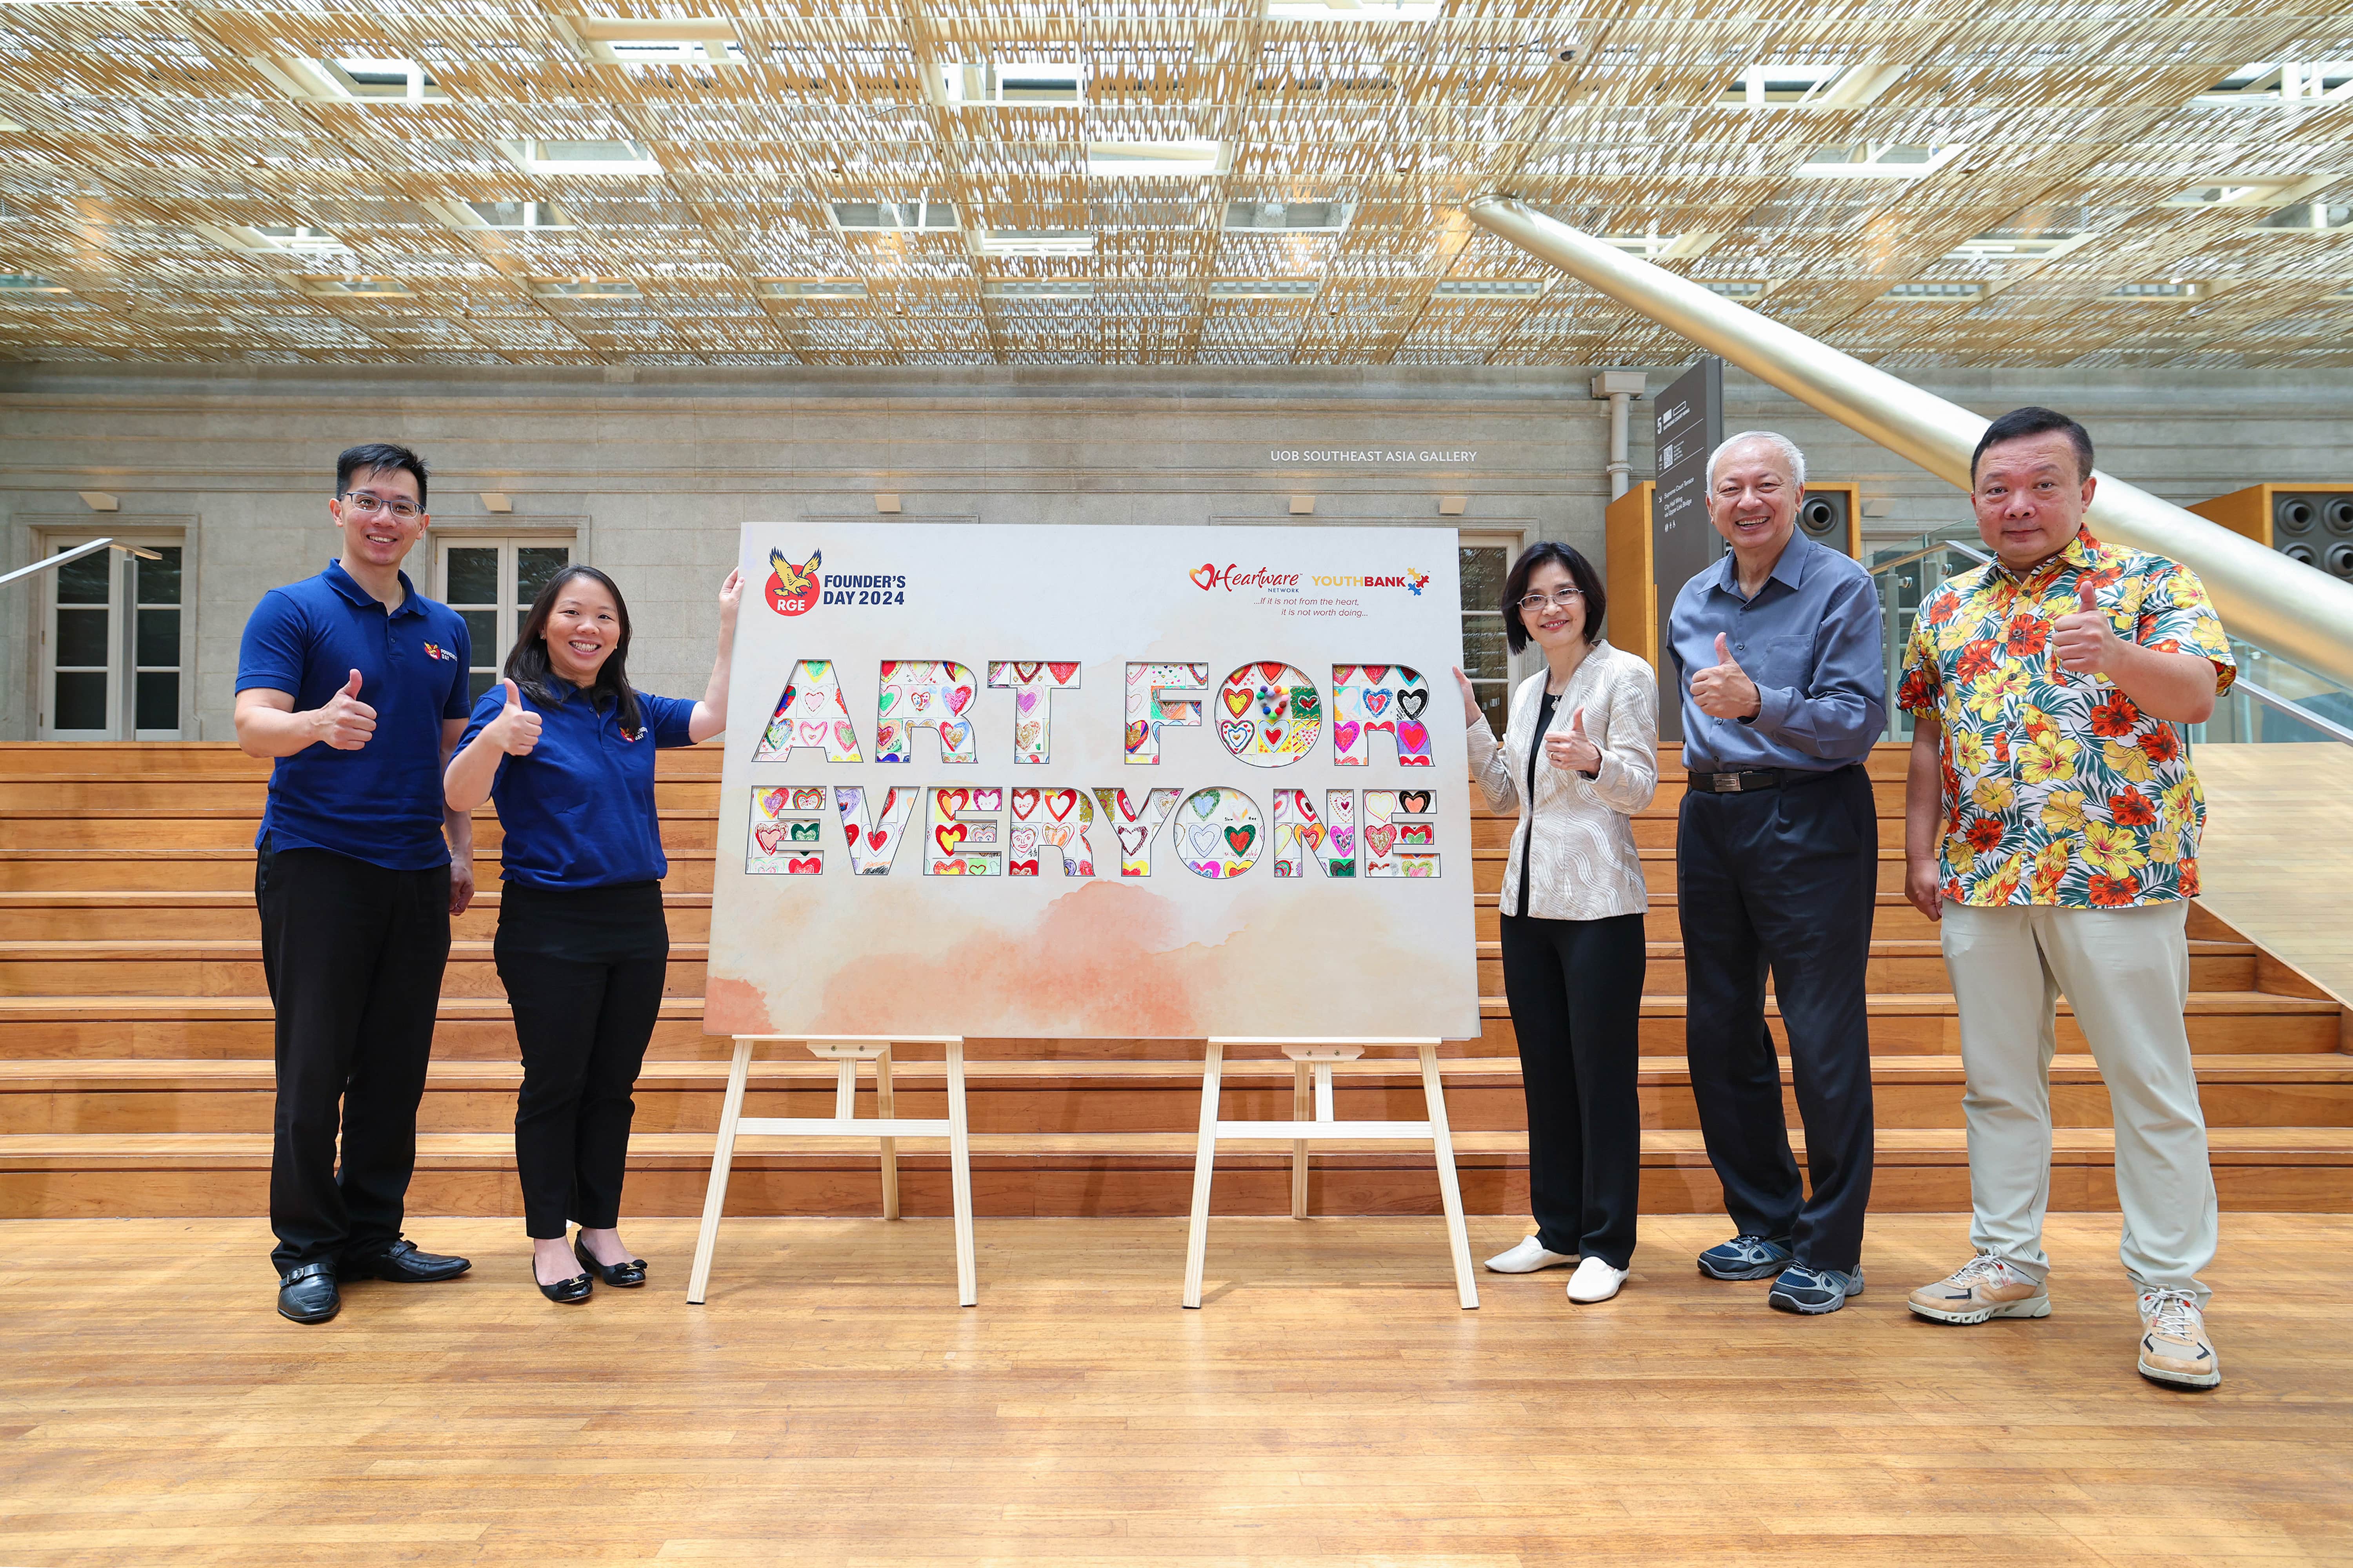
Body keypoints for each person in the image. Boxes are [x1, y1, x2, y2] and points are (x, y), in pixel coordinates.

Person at [1897, 406, 2233, 1389]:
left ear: (2086, 492)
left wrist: (2118, 656)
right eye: (1998, 488)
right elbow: (1927, 736)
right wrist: (1921, 849)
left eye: (2043, 484)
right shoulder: (1946, 607)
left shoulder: (2149, 582)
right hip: (1985, 874)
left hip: (2117, 873)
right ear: (1974, 499)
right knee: (1999, 1082)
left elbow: (2199, 694)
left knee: (2149, 1084)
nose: (2019, 504)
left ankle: (2172, 1291)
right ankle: (2010, 1261)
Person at [445, 563, 740, 1302]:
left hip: (637, 918)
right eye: (574, 613)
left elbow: (712, 717)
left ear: (619, 634)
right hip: (550, 920)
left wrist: (730, 626)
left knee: (614, 1084)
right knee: (556, 1084)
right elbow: (456, 793)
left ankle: (599, 1228)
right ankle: (549, 1239)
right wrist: (497, 741)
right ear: (545, 624)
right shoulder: (513, 703)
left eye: (605, 616)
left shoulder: (631, 708)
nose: (589, 628)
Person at [235, 443, 477, 1326]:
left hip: (416, 871)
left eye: (401, 504)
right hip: (316, 865)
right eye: (369, 500)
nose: (384, 518)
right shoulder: (292, 609)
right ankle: (306, 1248)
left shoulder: (445, 628)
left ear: (421, 522)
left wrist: (461, 845)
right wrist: (316, 721)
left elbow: (452, 756)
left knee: (393, 1069)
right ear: (338, 508)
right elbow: (252, 724)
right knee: (313, 1066)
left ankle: (373, 1233)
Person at [1669, 431, 1887, 1315]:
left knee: (1821, 1033)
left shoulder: (1843, 586)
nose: (1747, 500)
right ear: (1713, 505)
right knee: (1719, 1029)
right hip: (1710, 814)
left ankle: (1831, 1247)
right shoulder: (1692, 597)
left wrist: (1761, 701)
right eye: (1730, 488)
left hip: (1811, 814)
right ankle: (1765, 1216)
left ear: (1799, 495)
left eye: (1766, 485)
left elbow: (1856, 722)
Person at [1457, 542, 1659, 1305]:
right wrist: (1476, 718)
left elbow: (1638, 787)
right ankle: (1558, 1228)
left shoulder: (1625, 675)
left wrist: (1595, 758)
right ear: (1519, 614)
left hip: (1599, 904)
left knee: (1600, 1075)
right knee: (1545, 1071)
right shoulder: (1529, 688)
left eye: (1564, 592)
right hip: (1525, 905)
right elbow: (1507, 798)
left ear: (1588, 600)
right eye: (1535, 597)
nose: (1550, 607)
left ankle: (1608, 1243)